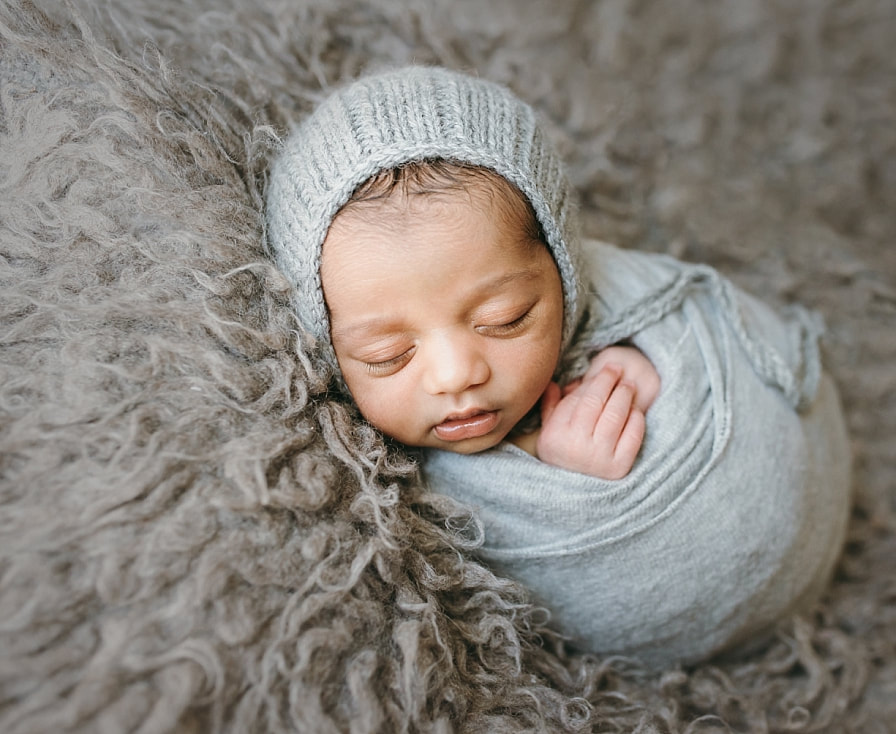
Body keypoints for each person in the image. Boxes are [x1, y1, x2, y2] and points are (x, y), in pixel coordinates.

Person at [265, 66, 852, 668]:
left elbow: (687, 326)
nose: (455, 374)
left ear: (564, 264)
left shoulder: (625, 300)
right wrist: (552, 460)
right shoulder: (362, 493)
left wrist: (634, 365)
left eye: (506, 318)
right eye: (386, 355)